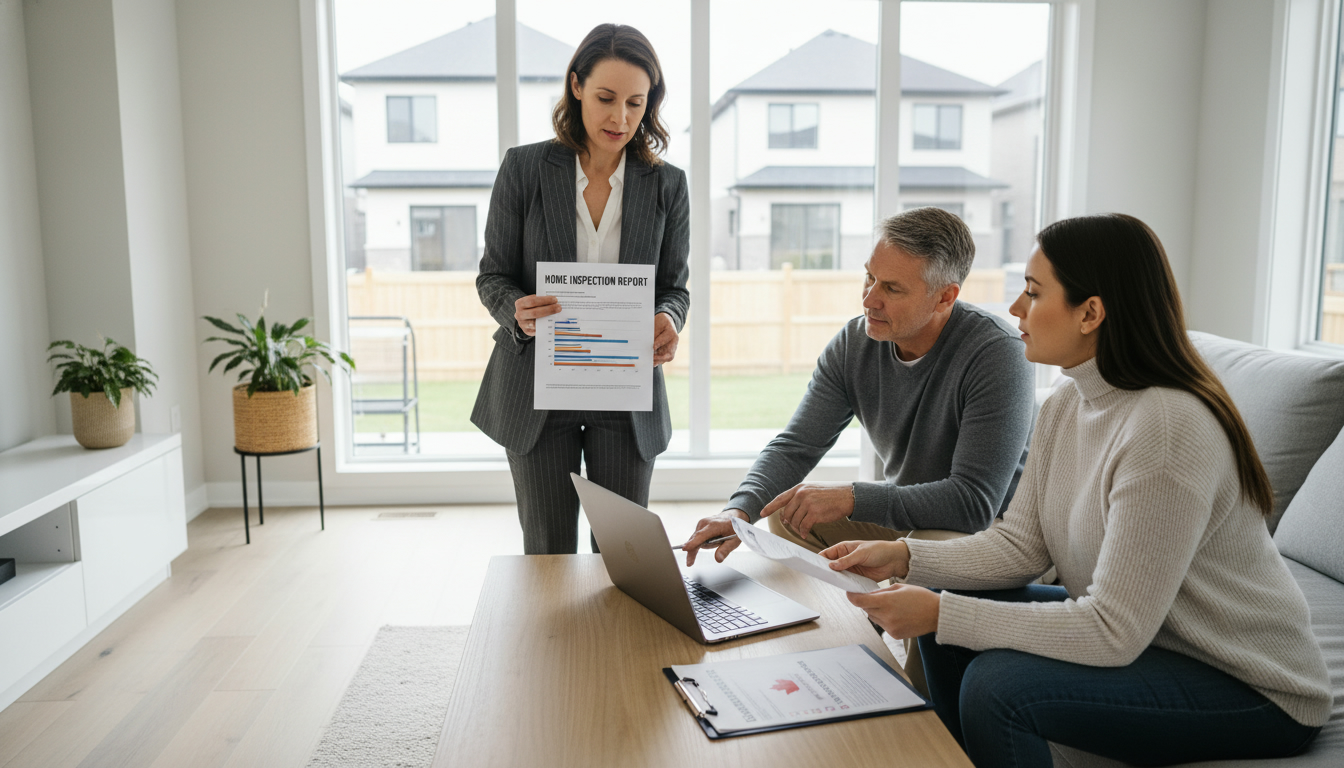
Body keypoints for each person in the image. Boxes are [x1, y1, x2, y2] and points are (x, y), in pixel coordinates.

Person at [823, 213, 1330, 767]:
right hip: (1157, 640)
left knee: (996, 682)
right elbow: (1021, 546)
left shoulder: (1165, 428)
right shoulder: (1068, 403)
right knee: (955, 625)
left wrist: (940, 613)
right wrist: (902, 556)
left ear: (1090, 312)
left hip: (1248, 685)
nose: (1015, 308)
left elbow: (1113, 630)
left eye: (1034, 293)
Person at [681, 207, 1036, 563]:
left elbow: (973, 503)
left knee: (924, 544)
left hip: (990, 530)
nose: (869, 300)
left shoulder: (998, 355)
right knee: (788, 510)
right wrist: (738, 513)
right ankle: (855, 604)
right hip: (910, 511)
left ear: (945, 297)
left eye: (892, 289)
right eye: (870, 278)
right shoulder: (855, 343)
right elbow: (797, 446)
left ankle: (880, 600)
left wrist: (851, 496)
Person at [472, 24, 689, 555]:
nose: (620, 118)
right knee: (547, 555)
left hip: (626, 389)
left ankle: (616, 643)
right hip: (538, 386)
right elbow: (493, 275)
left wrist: (670, 318)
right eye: (606, 98)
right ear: (576, 86)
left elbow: (674, 288)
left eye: (636, 103)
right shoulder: (524, 169)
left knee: (624, 556)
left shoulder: (666, 184)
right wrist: (515, 309)